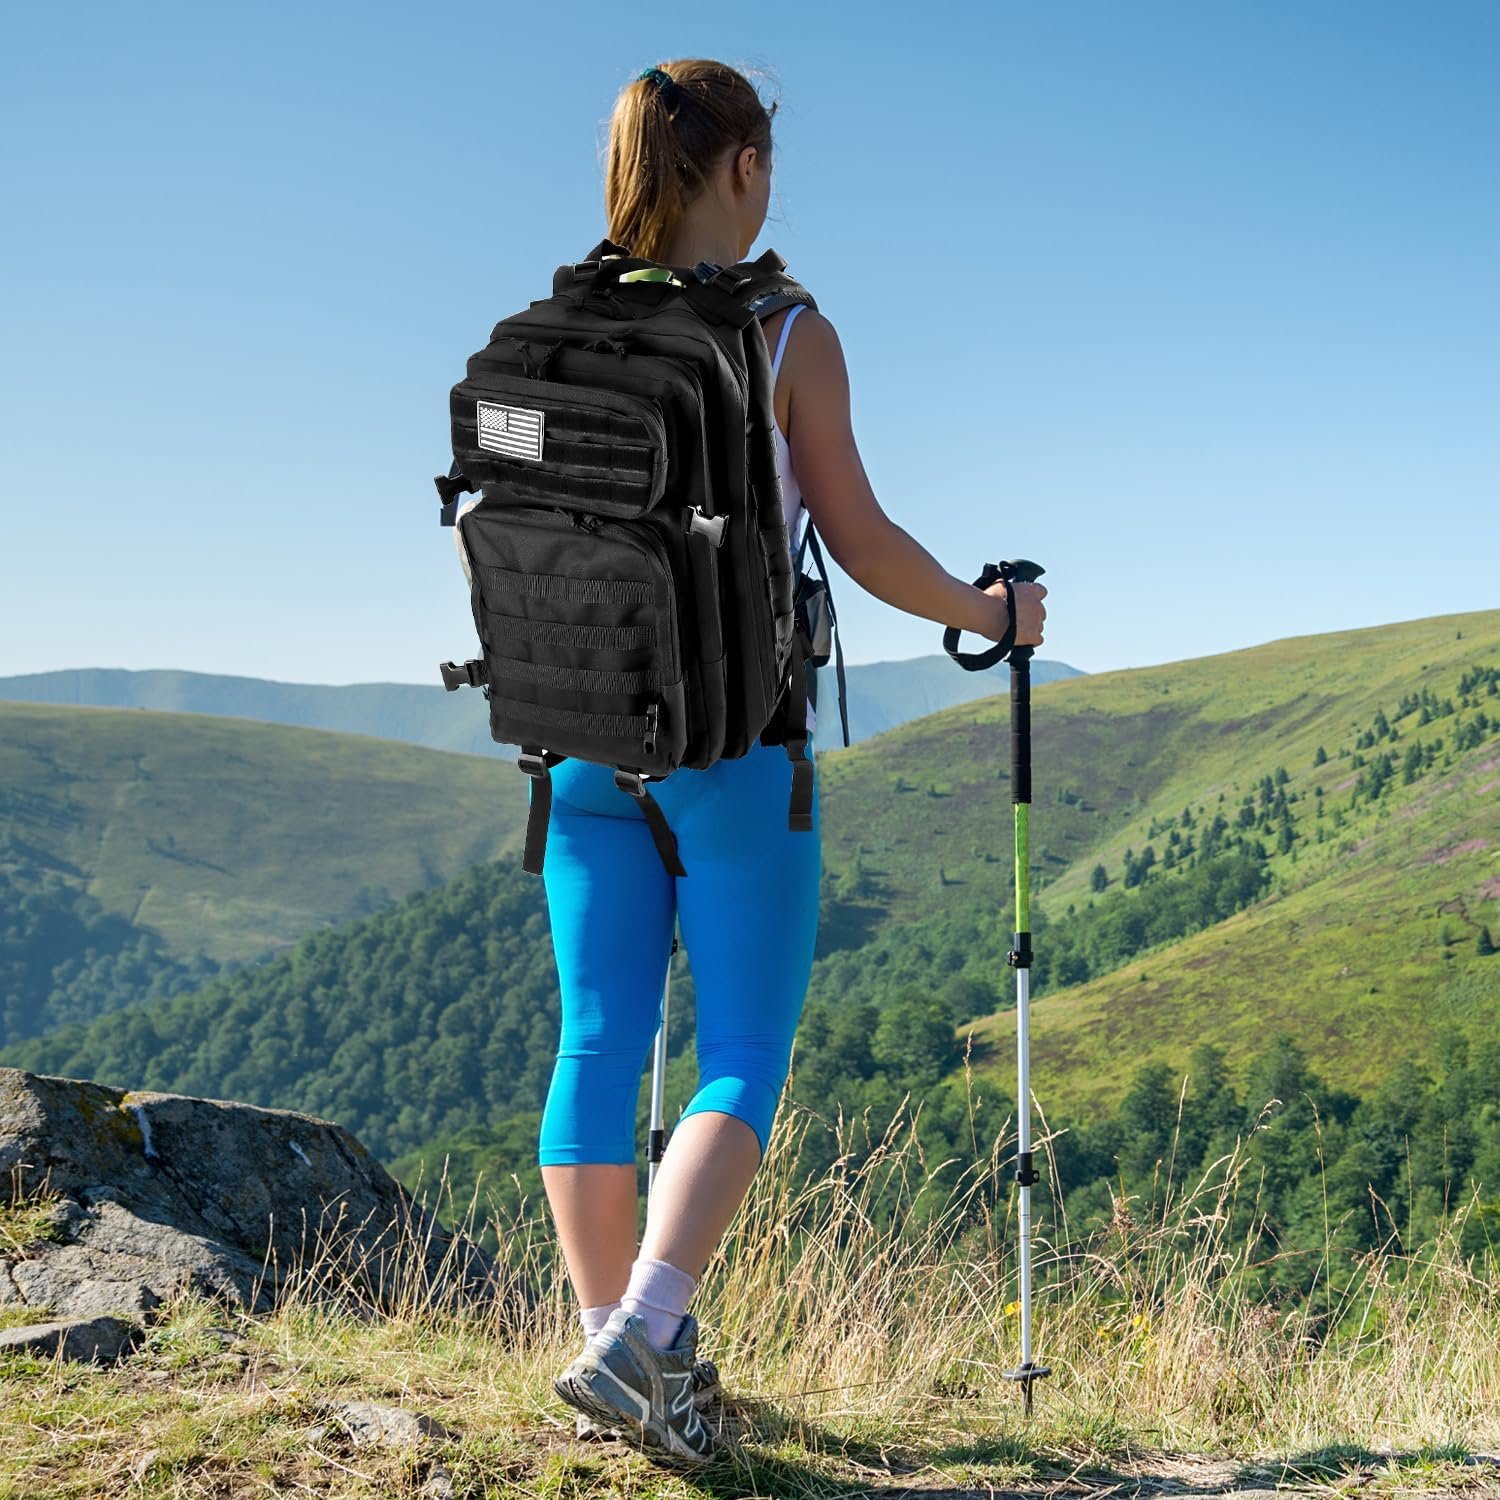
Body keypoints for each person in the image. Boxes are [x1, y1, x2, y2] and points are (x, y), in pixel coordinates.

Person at [544, 58, 1048, 1464]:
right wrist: (991, 615)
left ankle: (614, 1352)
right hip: (733, 742)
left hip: (576, 741)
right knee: (743, 1055)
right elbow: (864, 541)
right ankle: (643, 1335)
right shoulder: (784, 333)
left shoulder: (564, 328)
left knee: (596, 1040)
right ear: (745, 166)